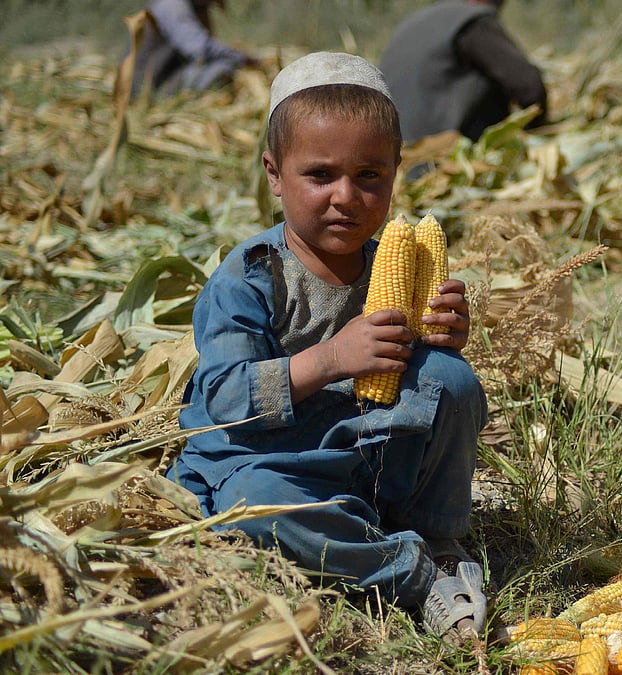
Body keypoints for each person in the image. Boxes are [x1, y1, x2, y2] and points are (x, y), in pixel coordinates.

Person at [169, 51, 489, 637]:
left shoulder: (396, 258)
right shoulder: (250, 279)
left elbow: (428, 379)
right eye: (320, 176)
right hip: (269, 459)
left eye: (370, 176)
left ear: (396, 171)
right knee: (255, 506)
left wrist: (442, 337)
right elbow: (222, 402)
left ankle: (438, 535)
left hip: (363, 447)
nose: (346, 196)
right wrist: (331, 358)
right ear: (274, 174)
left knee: (454, 379)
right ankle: (411, 571)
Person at [378, 0, 548, 146]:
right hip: (437, 163)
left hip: (395, 161)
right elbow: (529, 87)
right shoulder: (472, 21)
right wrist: (537, 135)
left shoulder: (417, 22)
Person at [130, 0, 256, 96]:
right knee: (224, 68)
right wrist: (242, 58)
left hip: (162, 79)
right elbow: (200, 49)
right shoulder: (173, 6)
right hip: (151, 88)